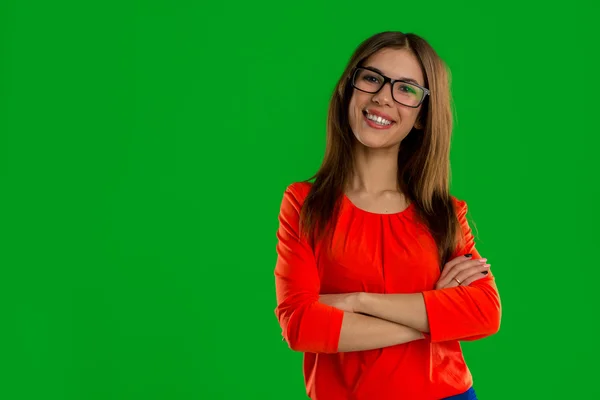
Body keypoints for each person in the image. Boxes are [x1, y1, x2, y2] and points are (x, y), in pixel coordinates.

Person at [273, 31, 501, 400]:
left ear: (423, 117)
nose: (382, 96)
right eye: (372, 78)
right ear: (350, 88)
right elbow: (300, 326)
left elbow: (485, 313)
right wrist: (433, 312)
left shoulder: (444, 213)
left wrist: (355, 302)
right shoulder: (304, 204)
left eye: (406, 89)